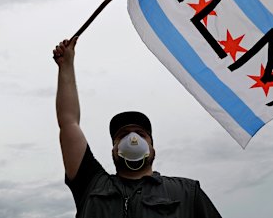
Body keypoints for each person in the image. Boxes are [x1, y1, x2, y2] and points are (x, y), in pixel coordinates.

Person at [53, 37, 222, 218]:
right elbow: (69, 122)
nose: (132, 138)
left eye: (141, 134)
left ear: (152, 146)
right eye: (123, 135)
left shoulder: (186, 192)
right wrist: (66, 65)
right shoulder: (91, 185)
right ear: (114, 149)